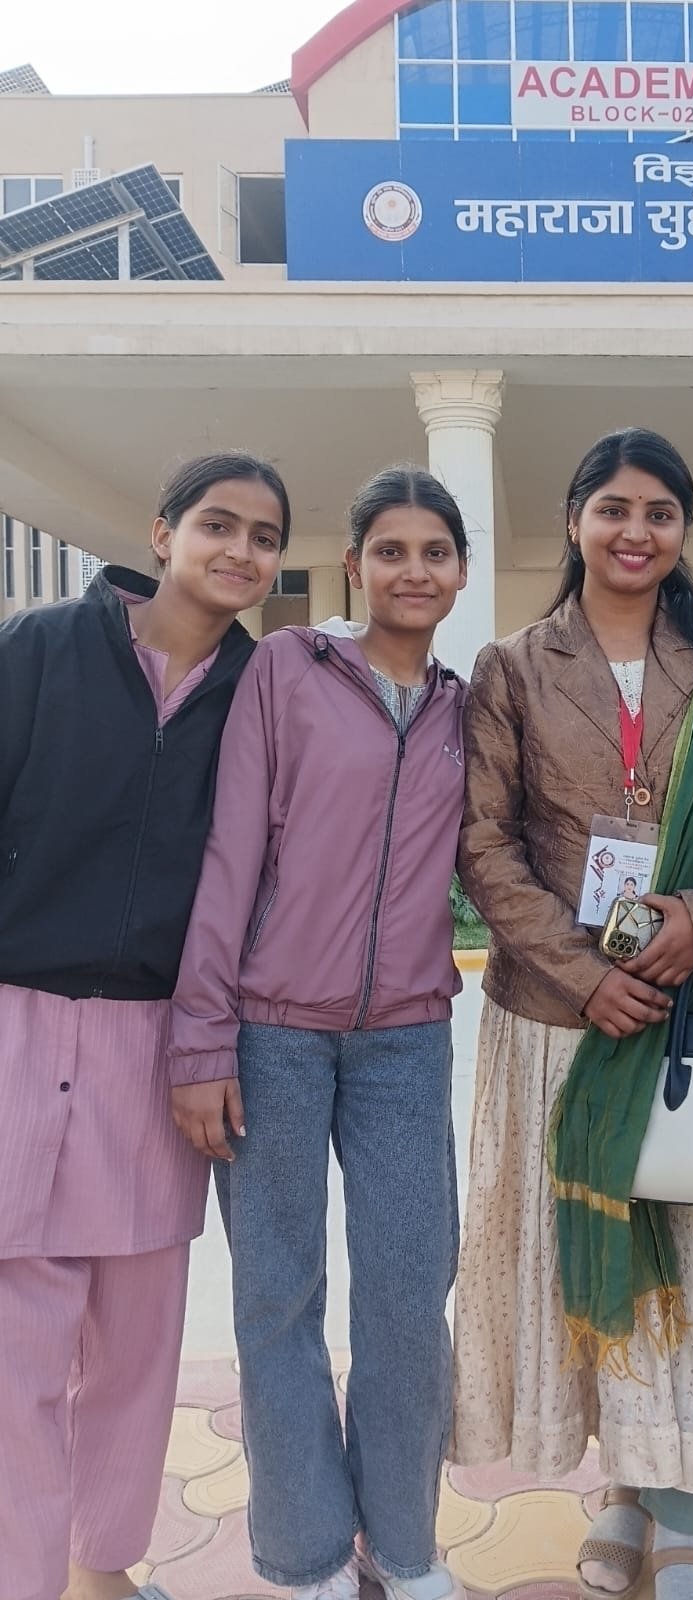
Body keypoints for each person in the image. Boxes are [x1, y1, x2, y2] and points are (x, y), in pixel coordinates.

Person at [453, 428, 693, 1600]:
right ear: (575, 520)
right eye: (614, 508)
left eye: (659, 512)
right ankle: (623, 1489)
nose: (635, 531)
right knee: (600, 1261)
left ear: (682, 531)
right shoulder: (511, 667)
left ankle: (682, 1514)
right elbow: (483, 842)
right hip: (561, 1018)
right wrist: (585, 974)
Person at [168, 467, 469, 1600]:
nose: (412, 570)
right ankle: (304, 1556)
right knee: (276, 1297)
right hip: (271, 1034)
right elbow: (229, 853)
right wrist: (203, 1041)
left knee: (408, 1294)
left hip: (407, 1040)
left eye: (434, 551)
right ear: (354, 566)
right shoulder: (289, 669)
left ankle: (402, 1543)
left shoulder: (463, 707)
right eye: (389, 550)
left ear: (460, 571)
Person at [0, 453, 288, 1600]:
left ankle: (102, 1564)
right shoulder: (39, 649)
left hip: (158, 1043)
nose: (239, 550)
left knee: (135, 1339)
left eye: (263, 535)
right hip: (16, 1025)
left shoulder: (263, 694)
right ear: (163, 532)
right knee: (16, 1348)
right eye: (218, 523)